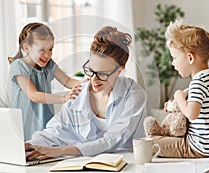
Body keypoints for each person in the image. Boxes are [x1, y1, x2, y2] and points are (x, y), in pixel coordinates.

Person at [24, 26, 147, 160]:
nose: (93, 79)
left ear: (119, 70)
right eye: (91, 70)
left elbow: (112, 140)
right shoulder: (79, 93)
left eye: (102, 74)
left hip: (125, 164)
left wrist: (61, 150)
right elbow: (55, 130)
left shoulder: (134, 95)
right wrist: (30, 145)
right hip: (84, 163)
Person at [149, 20, 209, 158]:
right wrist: (177, 104)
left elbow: (191, 114)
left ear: (190, 58)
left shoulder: (198, 83)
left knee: (149, 143)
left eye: (174, 58)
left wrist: (179, 96)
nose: (173, 63)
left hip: (199, 147)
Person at [10, 23, 82, 140]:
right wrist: (63, 99)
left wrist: (86, 82)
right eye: (42, 50)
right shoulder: (18, 66)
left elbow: (67, 81)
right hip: (25, 124)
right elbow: (34, 95)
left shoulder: (49, 65)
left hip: (45, 123)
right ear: (26, 48)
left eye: (50, 49)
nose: (47, 54)